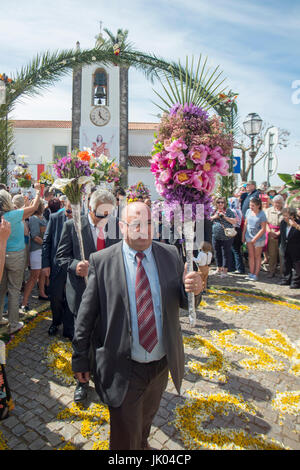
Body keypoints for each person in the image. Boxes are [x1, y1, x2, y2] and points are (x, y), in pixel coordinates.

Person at [72, 201, 203, 450]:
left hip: (160, 367)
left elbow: (185, 301)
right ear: (122, 227)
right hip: (123, 368)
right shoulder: (102, 262)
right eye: (136, 225)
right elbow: (85, 317)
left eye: (150, 224)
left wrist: (195, 290)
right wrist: (79, 359)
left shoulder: (170, 255)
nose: (144, 231)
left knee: (144, 425)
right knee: (124, 438)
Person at [56, 189, 121, 402]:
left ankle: (103, 376)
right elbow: (61, 257)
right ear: (90, 208)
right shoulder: (72, 226)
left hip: (108, 294)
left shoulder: (117, 227)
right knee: (81, 338)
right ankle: (81, 381)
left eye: (109, 215)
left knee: (104, 338)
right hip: (81, 293)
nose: (105, 220)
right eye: (101, 215)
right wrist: (76, 266)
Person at [0, 184, 41, 334]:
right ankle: (13, 323)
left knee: (2, 288)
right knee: (14, 289)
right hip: (16, 256)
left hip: (2, 255)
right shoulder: (14, 215)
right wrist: (38, 191)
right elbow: (35, 206)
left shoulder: (7, 215)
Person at [42, 199, 74, 340]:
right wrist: (45, 264)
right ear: (64, 208)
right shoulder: (55, 218)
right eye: (68, 211)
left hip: (73, 266)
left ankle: (68, 327)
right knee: (55, 297)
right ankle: (55, 322)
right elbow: (47, 241)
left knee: (71, 298)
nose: (70, 215)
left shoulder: (82, 220)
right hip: (56, 266)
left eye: (73, 212)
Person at [21, 200, 48, 312]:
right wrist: (46, 244)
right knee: (33, 277)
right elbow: (35, 236)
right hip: (37, 250)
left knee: (41, 274)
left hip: (41, 250)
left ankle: (42, 293)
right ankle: (24, 302)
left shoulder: (42, 218)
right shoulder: (33, 219)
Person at [242, 197, 267, 281]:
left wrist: (255, 238)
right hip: (249, 236)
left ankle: (256, 274)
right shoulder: (248, 211)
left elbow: (263, 229)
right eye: (250, 205)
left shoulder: (262, 214)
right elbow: (246, 224)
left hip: (258, 239)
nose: (250, 207)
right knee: (250, 255)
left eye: (252, 205)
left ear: (258, 206)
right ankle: (251, 273)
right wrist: (243, 235)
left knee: (257, 256)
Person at [211, 197, 237, 277]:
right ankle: (218, 268)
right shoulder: (213, 211)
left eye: (222, 202)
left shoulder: (229, 211)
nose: (220, 204)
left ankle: (225, 271)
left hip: (227, 236)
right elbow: (208, 219)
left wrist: (224, 217)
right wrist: (215, 217)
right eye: (218, 202)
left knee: (226, 253)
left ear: (225, 203)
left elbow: (234, 221)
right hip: (216, 235)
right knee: (217, 252)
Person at [279, 207, 300, 289]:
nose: (284, 217)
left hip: (296, 247)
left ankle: (296, 282)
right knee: (286, 264)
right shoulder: (283, 223)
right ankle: (286, 279)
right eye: (283, 215)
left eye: (286, 216)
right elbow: (282, 235)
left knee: (296, 266)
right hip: (286, 246)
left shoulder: (297, 223)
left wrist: (296, 226)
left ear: (292, 216)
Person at [265, 195, 284, 278]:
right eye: (276, 203)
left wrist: (279, 232)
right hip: (271, 234)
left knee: (282, 254)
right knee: (272, 254)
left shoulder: (285, 211)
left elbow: (286, 224)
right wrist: (269, 231)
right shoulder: (268, 210)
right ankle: (271, 271)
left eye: (279, 203)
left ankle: (283, 273)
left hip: (282, 235)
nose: (277, 204)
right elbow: (265, 223)